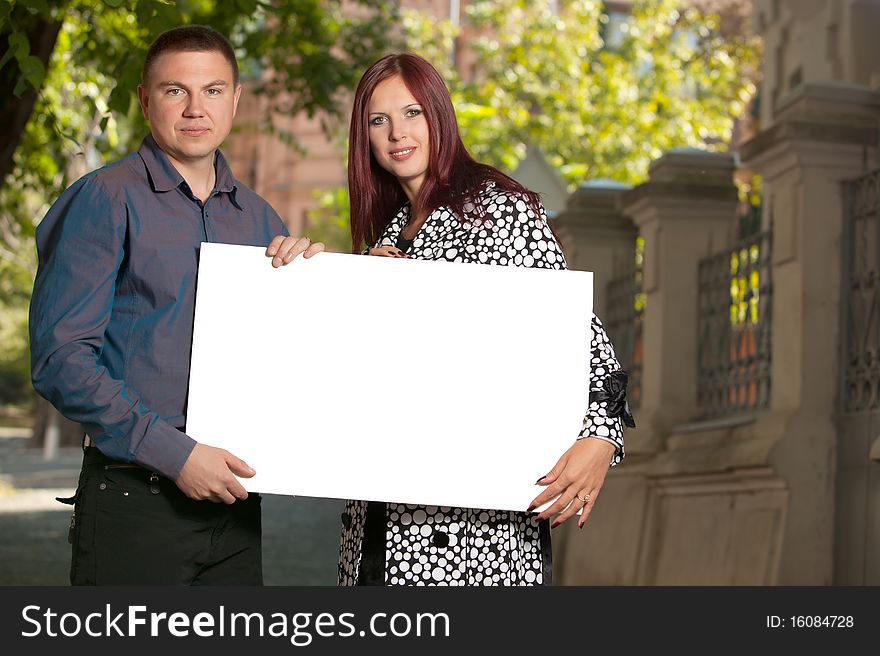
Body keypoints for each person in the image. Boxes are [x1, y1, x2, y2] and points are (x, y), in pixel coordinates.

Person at [28, 25, 322, 585]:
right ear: (145, 99)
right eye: (174, 91)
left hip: (234, 511)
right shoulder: (104, 198)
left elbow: (284, 363)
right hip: (135, 503)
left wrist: (324, 283)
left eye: (213, 90)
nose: (195, 108)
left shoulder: (262, 222)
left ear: (236, 99)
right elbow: (60, 358)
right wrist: (174, 453)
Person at [338, 53, 635, 586]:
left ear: (439, 116)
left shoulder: (496, 212)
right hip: (375, 528)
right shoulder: (385, 238)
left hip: (474, 540)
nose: (396, 133)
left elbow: (580, 341)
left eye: (412, 113)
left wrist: (601, 438)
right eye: (378, 121)